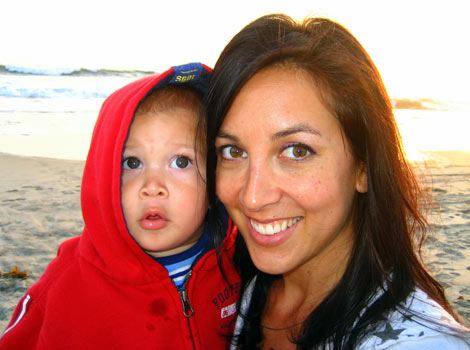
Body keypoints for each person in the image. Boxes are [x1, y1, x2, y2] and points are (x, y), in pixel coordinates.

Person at [204, 14, 470, 349]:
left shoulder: (423, 342)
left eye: (297, 150)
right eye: (233, 151)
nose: (253, 197)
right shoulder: (240, 291)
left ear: (363, 167)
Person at [0, 62, 240, 349]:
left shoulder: (239, 261)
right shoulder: (67, 284)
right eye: (132, 163)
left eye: (181, 162)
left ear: (214, 181)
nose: (152, 186)